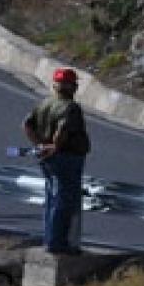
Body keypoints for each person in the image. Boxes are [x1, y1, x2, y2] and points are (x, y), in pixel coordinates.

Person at [23, 67, 91, 256]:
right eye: (73, 84)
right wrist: (55, 146)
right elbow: (62, 130)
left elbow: (27, 125)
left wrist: (39, 145)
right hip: (66, 157)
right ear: (71, 86)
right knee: (64, 200)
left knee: (51, 198)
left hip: (47, 158)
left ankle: (50, 239)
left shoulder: (44, 104)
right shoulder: (70, 107)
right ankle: (58, 243)